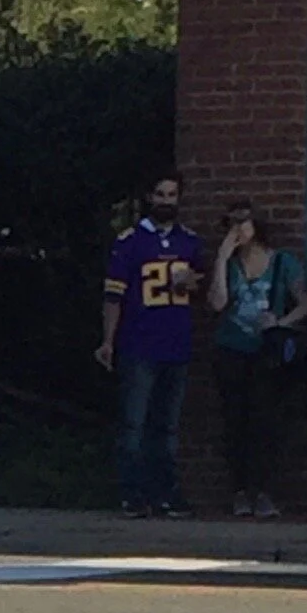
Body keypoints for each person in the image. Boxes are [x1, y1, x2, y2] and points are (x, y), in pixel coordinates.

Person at [97, 173, 205, 519]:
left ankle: (165, 494)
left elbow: (202, 285)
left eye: (172, 194)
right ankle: (133, 494)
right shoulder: (130, 242)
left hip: (176, 343)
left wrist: (192, 281)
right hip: (138, 344)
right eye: (160, 194)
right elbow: (113, 295)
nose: (166, 201)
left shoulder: (190, 242)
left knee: (168, 426)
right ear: (150, 197)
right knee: (135, 424)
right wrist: (108, 341)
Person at [205, 203, 307, 520]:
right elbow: (218, 302)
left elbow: (305, 303)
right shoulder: (230, 263)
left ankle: (264, 491)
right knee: (234, 421)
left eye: (244, 223)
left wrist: (280, 322)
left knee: (265, 421)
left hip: (265, 353)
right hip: (232, 349)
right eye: (232, 225)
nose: (239, 230)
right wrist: (222, 258)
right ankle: (239, 491)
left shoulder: (281, 262)